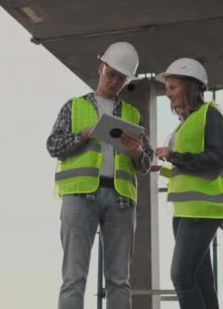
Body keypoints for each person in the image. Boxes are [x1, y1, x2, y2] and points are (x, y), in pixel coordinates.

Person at [46, 41, 154, 309]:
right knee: (74, 277)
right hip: (80, 197)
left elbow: (145, 163)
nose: (114, 80)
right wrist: (85, 133)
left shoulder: (132, 115)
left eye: (121, 77)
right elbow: (53, 146)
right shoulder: (74, 107)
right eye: (111, 73)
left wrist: (137, 151)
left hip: (120, 201)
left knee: (119, 280)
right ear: (101, 67)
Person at [154, 58, 223, 309]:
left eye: (172, 87)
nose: (168, 94)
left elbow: (217, 159)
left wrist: (172, 155)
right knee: (201, 279)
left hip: (203, 210)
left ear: (190, 86)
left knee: (181, 276)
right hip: (186, 211)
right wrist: (162, 169)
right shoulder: (185, 124)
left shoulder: (211, 114)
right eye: (167, 88)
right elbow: (189, 171)